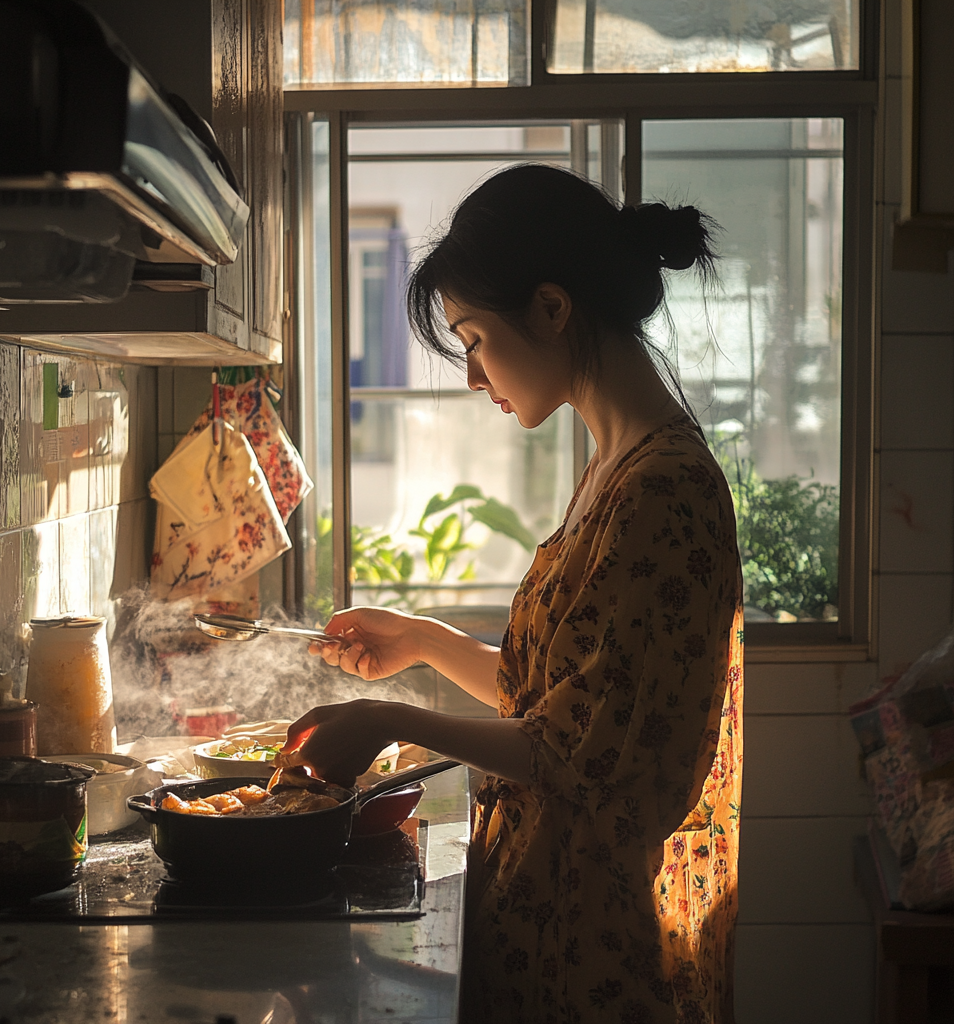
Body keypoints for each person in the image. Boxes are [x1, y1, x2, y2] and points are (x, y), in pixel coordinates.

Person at [289, 164, 744, 1024]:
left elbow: (574, 752)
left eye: (471, 339)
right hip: (551, 906)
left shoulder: (662, 490)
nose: (472, 374)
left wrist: (390, 720)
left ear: (551, 307)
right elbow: (562, 702)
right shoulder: (615, 468)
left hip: (598, 937)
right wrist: (421, 640)